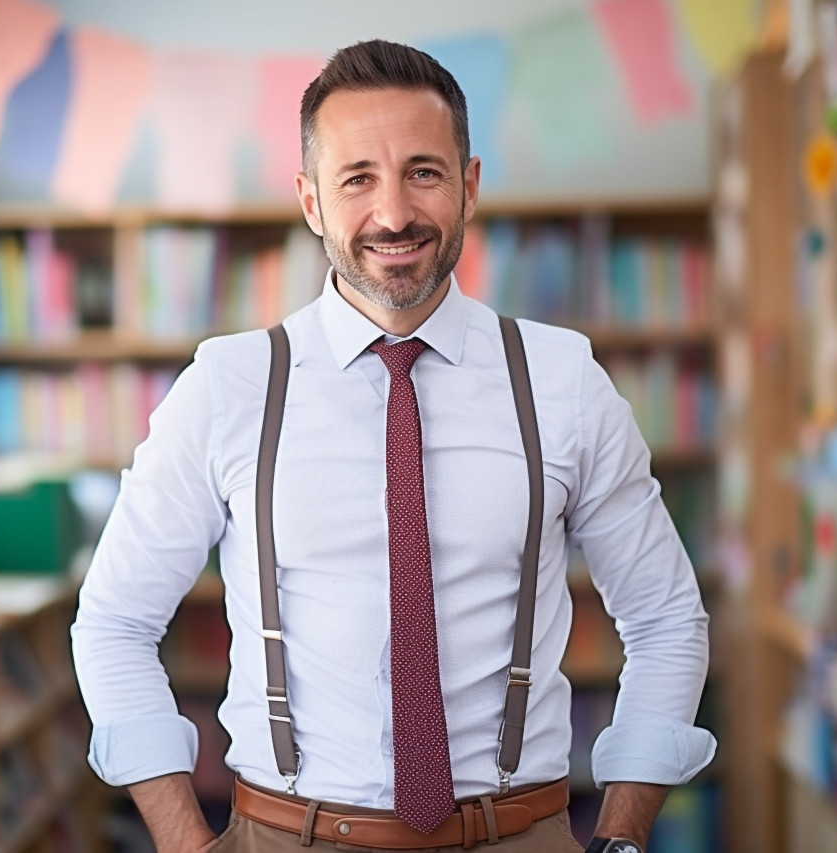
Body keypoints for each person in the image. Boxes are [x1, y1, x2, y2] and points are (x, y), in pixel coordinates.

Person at [71, 39, 716, 853]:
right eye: (357, 179)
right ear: (310, 201)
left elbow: (666, 619)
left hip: (519, 833)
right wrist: (178, 837)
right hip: (282, 835)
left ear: (469, 185)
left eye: (423, 171)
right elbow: (113, 622)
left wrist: (622, 837)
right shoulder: (227, 386)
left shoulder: (562, 379)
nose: (394, 212)